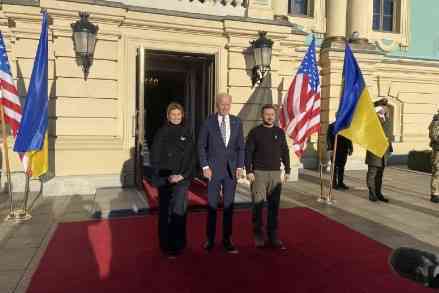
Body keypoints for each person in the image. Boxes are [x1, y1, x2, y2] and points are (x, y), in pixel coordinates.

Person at [198, 92, 245, 253]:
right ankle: (210, 239)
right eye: (222, 104)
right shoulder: (208, 122)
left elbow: (241, 147)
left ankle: (227, 239)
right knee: (211, 206)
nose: (225, 107)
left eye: (227, 104)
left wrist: (240, 166)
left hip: (231, 172)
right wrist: (205, 167)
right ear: (216, 105)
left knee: (228, 206)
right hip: (212, 171)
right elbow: (201, 146)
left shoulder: (237, 122)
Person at [150, 102, 195, 258]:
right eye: (173, 114)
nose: (176, 117)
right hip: (166, 179)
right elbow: (155, 157)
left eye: (178, 114)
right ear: (168, 116)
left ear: (182, 116)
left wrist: (183, 175)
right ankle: (166, 245)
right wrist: (167, 176)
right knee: (166, 213)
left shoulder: (187, 132)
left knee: (179, 212)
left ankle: (179, 244)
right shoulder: (161, 133)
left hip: (182, 179)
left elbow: (191, 157)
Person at [245, 104, 290, 249]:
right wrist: (249, 171)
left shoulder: (280, 132)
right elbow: (248, 153)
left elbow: (285, 151)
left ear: (275, 116)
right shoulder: (255, 132)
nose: (270, 117)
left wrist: (287, 170)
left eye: (272, 114)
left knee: (274, 206)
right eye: (267, 114)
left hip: (275, 174)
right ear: (261, 116)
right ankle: (258, 234)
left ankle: (273, 235)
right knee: (258, 205)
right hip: (258, 174)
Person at [366, 98, 393, 202]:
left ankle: (378, 193)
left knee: (380, 174)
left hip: (384, 151)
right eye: (384, 108)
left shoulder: (387, 120)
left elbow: (389, 135)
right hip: (374, 150)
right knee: (372, 173)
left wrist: (389, 148)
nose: (386, 110)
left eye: (386, 108)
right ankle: (372, 193)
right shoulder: (372, 120)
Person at [326, 122, 353, 190]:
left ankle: (340, 183)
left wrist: (350, 148)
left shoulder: (346, 125)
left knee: (342, 167)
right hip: (334, 150)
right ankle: (333, 183)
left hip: (344, 150)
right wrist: (330, 149)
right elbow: (328, 138)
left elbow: (349, 137)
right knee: (334, 167)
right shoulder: (332, 126)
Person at [429, 110, 439, 203]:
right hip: (437, 151)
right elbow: (434, 136)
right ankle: (434, 194)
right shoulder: (436, 122)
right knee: (437, 172)